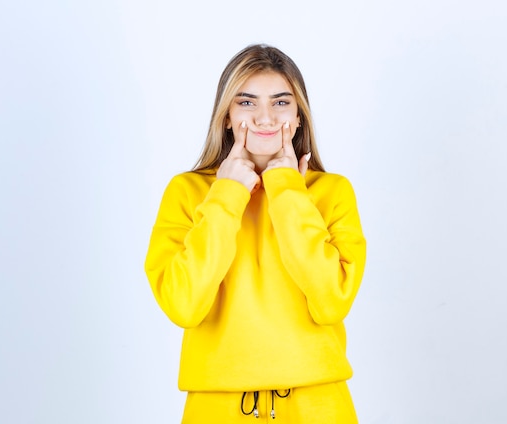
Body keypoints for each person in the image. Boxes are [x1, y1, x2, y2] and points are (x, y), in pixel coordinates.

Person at [144, 44, 366, 423]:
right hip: (216, 407)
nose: (265, 118)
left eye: (281, 103)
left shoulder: (332, 192)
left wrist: (285, 188)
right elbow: (183, 304)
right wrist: (227, 194)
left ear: (299, 118)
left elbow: (331, 302)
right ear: (226, 117)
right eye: (246, 102)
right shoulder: (187, 192)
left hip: (318, 405)